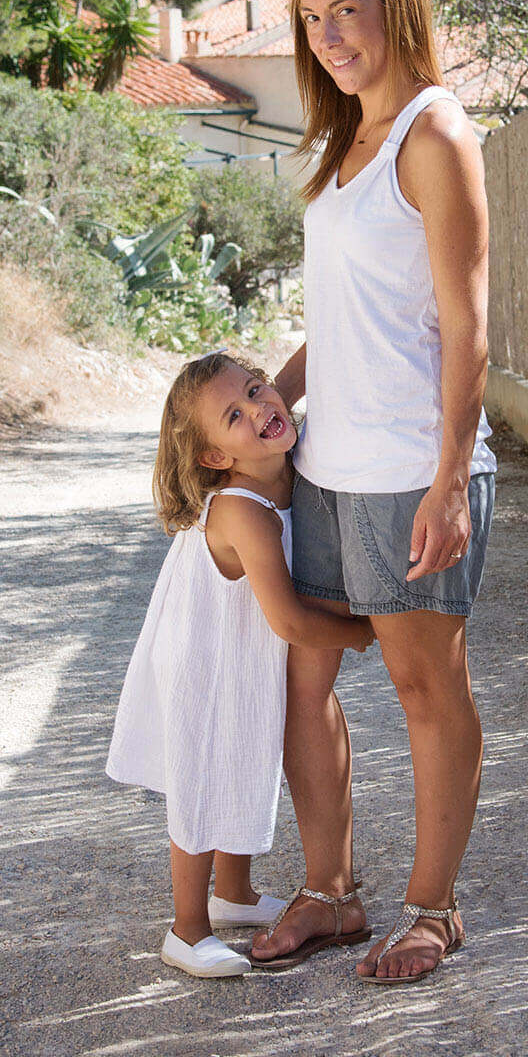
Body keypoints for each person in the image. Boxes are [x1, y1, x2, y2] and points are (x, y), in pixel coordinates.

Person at [249, 0, 497, 985]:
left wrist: (449, 480)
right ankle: (329, 895)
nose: (330, 35)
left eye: (345, 9)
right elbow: (348, 317)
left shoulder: (434, 135)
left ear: (393, 3)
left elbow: (467, 323)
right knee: (303, 688)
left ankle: (432, 911)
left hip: (408, 469)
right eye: (310, 19)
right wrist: (271, 397)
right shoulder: (344, 142)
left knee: (421, 688)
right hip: (325, 467)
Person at [106, 352, 373, 979]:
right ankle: (187, 928)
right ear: (215, 458)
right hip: (201, 656)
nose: (259, 408)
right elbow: (288, 620)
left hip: (238, 650)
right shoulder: (241, 508)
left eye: (256, 389)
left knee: (244, 754)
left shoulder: (289, 471)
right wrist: (364, 632)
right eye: (234, 414)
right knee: (201, 776)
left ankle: (236, 895)